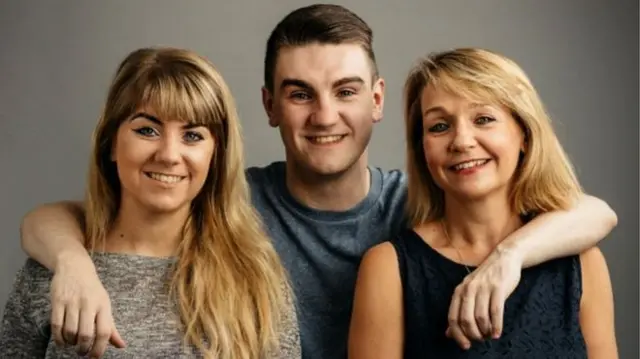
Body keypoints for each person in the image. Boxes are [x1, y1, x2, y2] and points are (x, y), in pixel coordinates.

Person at [16, 4, 618, 359]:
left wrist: (509, 256)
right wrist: (70, 261)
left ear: (378, 100)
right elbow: (78, 216)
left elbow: (594, 214)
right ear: (270, 105)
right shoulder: (231, 204)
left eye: (346, 92)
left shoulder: (421, 210)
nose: (325, 116)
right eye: (300, 94)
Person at [0, 47, 301, 359]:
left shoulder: (257, 278)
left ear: (216, 155)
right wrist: (71, 264)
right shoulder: (54, 273)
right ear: (111, 143)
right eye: (147, 130)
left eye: (193, 135)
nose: (169, 155)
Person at [348, 48, 618, 358]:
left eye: (484, 119)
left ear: (525, 135)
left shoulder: (582, 263)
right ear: (423, 148)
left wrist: (508, 256)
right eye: (439, 126)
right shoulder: (388, 267)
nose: (462, 141)